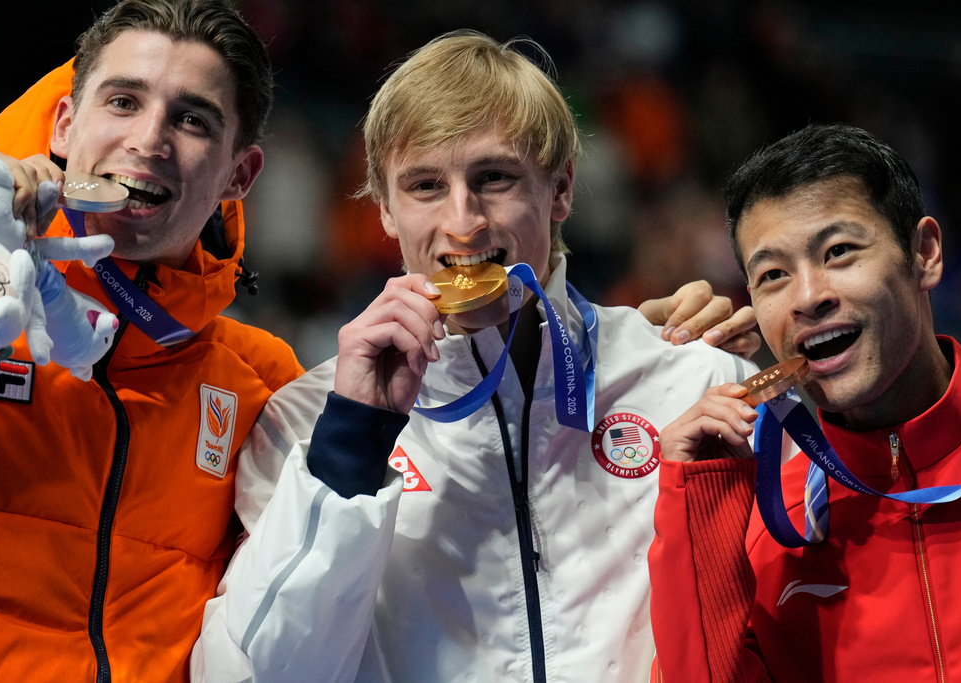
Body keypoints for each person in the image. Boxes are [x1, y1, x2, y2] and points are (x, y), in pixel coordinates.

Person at [194, 31, 759, 682]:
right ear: (383, 209)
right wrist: (354, 441)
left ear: (562, 189)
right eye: (426, 186)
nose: (463, 222)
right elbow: (255, 674)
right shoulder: (306, 426)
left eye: (494, 178)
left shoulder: (693, 377)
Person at [0, 1, 304, 680]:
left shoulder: (264, 381)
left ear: (239, 175)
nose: (150, 138)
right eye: (123, 101)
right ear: (65, 124)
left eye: (192, 118)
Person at [648, 123, 961, 681]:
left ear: (924, 253)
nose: (809, 297)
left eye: (839, 251)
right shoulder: (775, 528)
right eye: (772, 275)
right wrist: (700, 504)